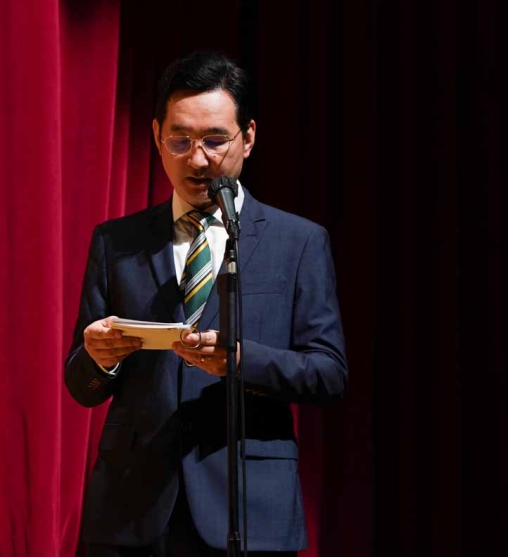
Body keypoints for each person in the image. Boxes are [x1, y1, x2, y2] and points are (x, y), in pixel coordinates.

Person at [65, 50, 347, 556]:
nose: (197, 160)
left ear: (249, 137)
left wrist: (239, 361)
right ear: (157, 136)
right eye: (181, 140)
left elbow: (328, 373)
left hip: (248, 506)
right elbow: (81, 384)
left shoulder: (298, 242)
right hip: (133, 510)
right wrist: (98, 360)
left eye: (216, 140)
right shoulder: (116, 242)